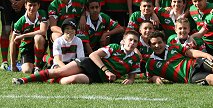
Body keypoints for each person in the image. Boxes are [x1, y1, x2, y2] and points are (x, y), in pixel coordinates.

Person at [12, 30, 141, 85]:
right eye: (130, 40)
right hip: (90, 64)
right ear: (123, 41)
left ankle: (48, 79)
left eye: (135, 41)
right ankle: (23, 80)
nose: (132, 43)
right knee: (60, 71)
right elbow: (93, 54)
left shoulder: (135, 59)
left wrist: (130, 80)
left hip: (97, 78)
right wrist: (106, 71)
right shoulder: (115, 47)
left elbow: (132, 76)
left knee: (72, 79)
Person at [10, 0, 48, 73]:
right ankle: (37, 64)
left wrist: (23, 35)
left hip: (39, 44)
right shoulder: (20, 22)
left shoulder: (42, 14)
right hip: (26, 48)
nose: (32, 8)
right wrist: (13, 65)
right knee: (27, 71)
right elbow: (12, 43)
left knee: (38, 37)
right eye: (30, 5)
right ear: (25, 6)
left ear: (38, 6)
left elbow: (43, 31)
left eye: (34, 5)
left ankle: (38, 66)